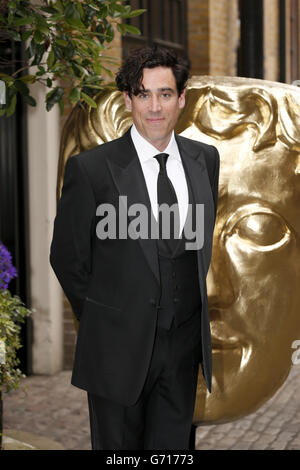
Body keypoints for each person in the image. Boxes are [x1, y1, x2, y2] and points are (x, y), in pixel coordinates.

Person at [50, 46, 220, 450]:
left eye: (164, 94)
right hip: (116, 351)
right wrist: (107, 319)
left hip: (182, 353)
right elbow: (68, 258)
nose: (155, 107)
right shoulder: (91, 169)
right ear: (128, 101)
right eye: (143, 94)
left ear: (182, 99)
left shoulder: (205, 160)